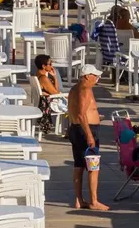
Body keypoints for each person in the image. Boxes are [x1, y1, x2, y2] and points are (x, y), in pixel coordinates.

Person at [67, 63, 108, 210]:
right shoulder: (85, 90)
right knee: (93, 167)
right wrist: (90, 135)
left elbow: (72, 111)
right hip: (86, 131)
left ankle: (79, 200)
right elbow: (81, 114)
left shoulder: (73, 89)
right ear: (86, 76)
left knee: (79, 165)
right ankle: (94, 201)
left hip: (76, 129)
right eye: (95, 76)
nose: (97, 78)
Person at [30, 54, 60, 133]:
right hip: (48, 103)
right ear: (43, 66)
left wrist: (54, 77)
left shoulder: (37, 74)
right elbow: (56, 93)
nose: (51, 66)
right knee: (74, 103)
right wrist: (55, 78)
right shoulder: (44, 78)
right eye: (50, 64)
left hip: (42, 102)